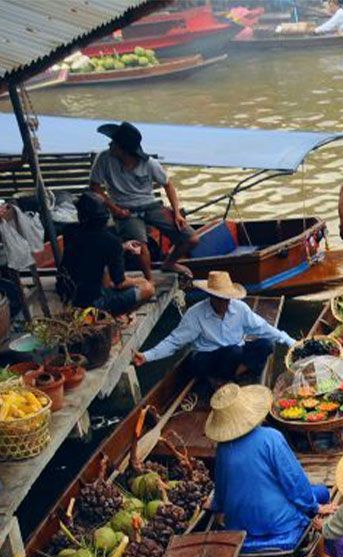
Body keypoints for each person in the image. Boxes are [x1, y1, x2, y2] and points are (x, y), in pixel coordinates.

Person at [205, 383, 330, 553]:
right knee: (322, 492)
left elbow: (221, 489)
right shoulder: (271, 437)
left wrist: (217, 507)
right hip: (278, 522)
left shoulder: (222, 449)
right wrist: (315, 507)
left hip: (239, 524)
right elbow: (293, 481)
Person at [135, 270, 295, 385]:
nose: (224, 303)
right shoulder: (196, 313)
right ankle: (224, 377)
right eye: (219, 299)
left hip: (234, 356)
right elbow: (174, 341)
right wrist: (148, 356)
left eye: (226, 299)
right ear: (211, 296)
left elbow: (263, 328)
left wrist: (289, 341)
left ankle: (233, 375)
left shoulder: (240, 309)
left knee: (266, 344)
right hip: (207, 357)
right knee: (233, 352)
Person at [88, 121, 197, 273]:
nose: (109, 144)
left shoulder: (150, 164)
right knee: (140, 247)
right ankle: (149, 282)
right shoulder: (104, 159)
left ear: (123, 149)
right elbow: (94, 187)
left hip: (150, 206)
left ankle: (169, 263)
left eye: (113, 142)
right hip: (124, 209)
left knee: (191, 238)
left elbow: (168, 185)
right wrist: (114, 208)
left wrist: (177, 213)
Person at [58, 193, 155, 317]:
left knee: (101, 273)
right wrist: (141, 280)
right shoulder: (111, 241)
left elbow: (90, 248)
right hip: (93, 303)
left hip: (68, 294)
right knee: (148, 288)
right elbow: (120, 283)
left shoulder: (70, 231)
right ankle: (122, 315)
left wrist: (122, 247)